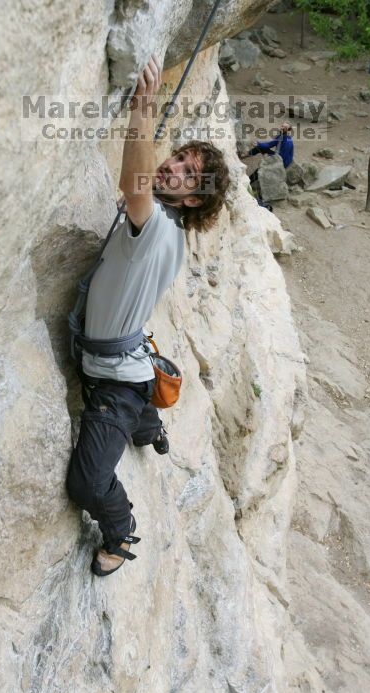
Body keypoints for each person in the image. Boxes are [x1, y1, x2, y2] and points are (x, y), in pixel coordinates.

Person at [66, 55, 230, 577]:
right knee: (130, 399)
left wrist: (143, 109)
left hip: (116, 381)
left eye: (186, 174)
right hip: (121, 362)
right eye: (178, 158)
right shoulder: (164, 225)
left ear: (191, 200)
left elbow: (134, 182)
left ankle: (121, 529)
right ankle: (147, 423)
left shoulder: (157, 225)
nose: (173, 168)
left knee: (87, 484)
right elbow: (140, 187)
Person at [247, 121, 294, 186]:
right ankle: (247, 154)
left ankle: (248, 182)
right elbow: (270, 144)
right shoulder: (281, 136)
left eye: (285, 128)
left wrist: (269, 155)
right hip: (277, 155)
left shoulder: (287, 143)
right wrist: (258, 144)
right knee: (260, 147)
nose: (282, 128)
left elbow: (282, 158)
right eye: (282, 126)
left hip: (282, 162)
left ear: (288, 130)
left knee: (262, 168)